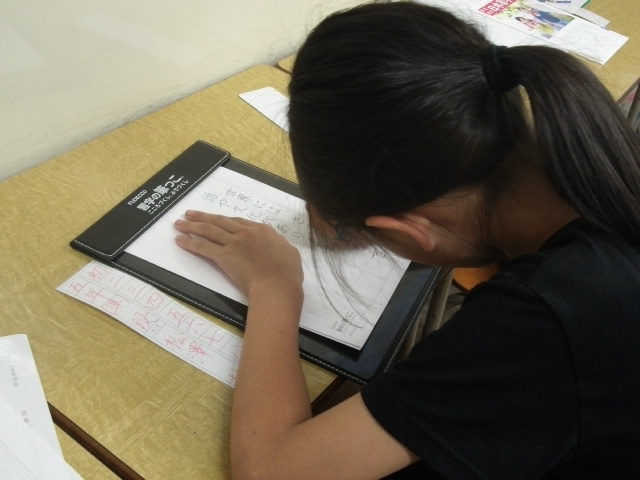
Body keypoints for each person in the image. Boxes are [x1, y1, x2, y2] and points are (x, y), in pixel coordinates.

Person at [174, 2, 640, 479]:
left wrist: (274, 287)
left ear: (412, 228)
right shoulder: (597, 165)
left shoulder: (540, 320)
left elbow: (271, 471)